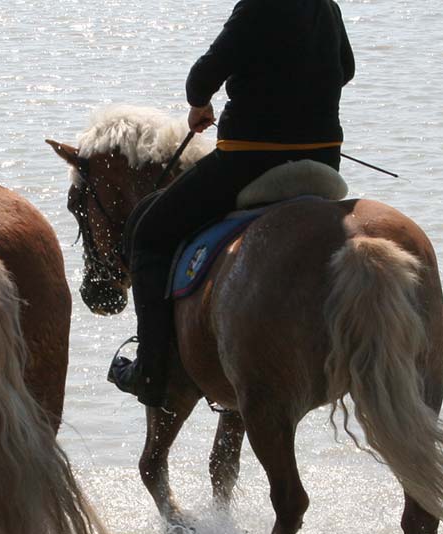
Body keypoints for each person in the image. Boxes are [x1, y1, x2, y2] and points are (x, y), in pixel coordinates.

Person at [110, 0, 354, 408]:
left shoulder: (257, 6)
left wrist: (199, 106)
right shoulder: (326, 6)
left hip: (250, 159)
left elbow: (202, 76)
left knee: (150, 231)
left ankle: (152, 371)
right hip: (323, 158)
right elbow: (345, 70)